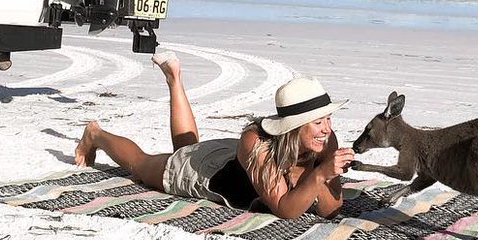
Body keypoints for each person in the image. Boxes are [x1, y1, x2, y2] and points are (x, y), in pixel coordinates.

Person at [73, 50, 355, 218]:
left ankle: (175, 82)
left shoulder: (326, 141)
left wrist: (329, 174)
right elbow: (284, 208)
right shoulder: (257, 142)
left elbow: (329, 211)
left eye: (328, 119)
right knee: (143, 165)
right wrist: (318, 175)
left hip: (235, 160)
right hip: (211, 173)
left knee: (185, 149)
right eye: (318, 122)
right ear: (294, 126)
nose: (327, 129)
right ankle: (95, 134)